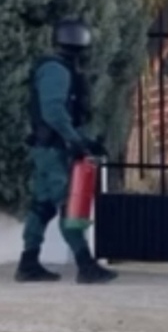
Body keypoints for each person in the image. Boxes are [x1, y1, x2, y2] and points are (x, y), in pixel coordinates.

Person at [16, 18, 116, 284]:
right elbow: (54, 112)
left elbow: (62, 115)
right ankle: (86, 266)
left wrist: (87, 141)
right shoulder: (57, 70)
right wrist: (76, 140)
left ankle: (28, 263)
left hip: (48, 148)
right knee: (68, 205)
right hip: (53, 150)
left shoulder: (57, 68)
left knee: (42, 206)